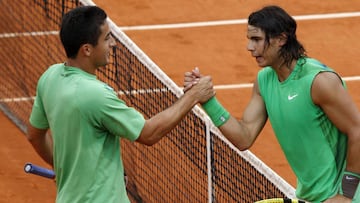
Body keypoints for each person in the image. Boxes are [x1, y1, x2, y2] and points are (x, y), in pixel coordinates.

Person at [26, 6, 214, 203]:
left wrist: (64, 169)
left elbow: (34, 135)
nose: (113, 43)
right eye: (107, 38)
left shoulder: (50, 77)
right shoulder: (95, 95)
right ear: (87, 50)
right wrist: (193, 96)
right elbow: (148, 133)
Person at [184, 5, 360, 203]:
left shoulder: (319, 82)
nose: (249, 47)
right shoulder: (264, 81)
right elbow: (244, 137)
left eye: (257, 39)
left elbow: (357, 131)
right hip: (312, 197)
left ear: (281, 39)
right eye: (249, 40)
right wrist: (208, 101)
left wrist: (346, 194)